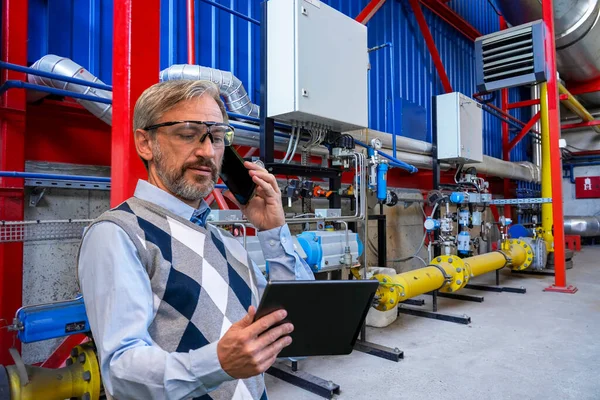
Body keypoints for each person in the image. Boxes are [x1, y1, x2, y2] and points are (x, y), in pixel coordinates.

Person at [78, 79, 315, 400]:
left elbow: (294, 330)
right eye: (188, 134)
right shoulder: (120, 233)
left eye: (216, 138)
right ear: (145, 143)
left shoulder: (226, 242)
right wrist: (217, 362)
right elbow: (122, 373)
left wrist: (273, 231)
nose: (207, 152)